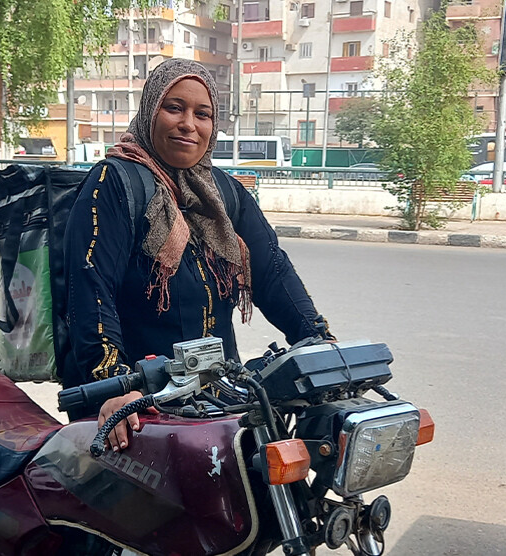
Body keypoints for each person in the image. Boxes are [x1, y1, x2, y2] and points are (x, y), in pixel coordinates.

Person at [64, 59, 333, 452]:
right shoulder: (115, 183)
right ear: (150, 110)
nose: (188, 124)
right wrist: (114, 385)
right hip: (139, 413)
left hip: (222, 405)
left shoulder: (223, 193)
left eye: (202, 114)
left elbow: (273, 274)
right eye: (174, 108)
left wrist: (320, 342)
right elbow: (91, 290)